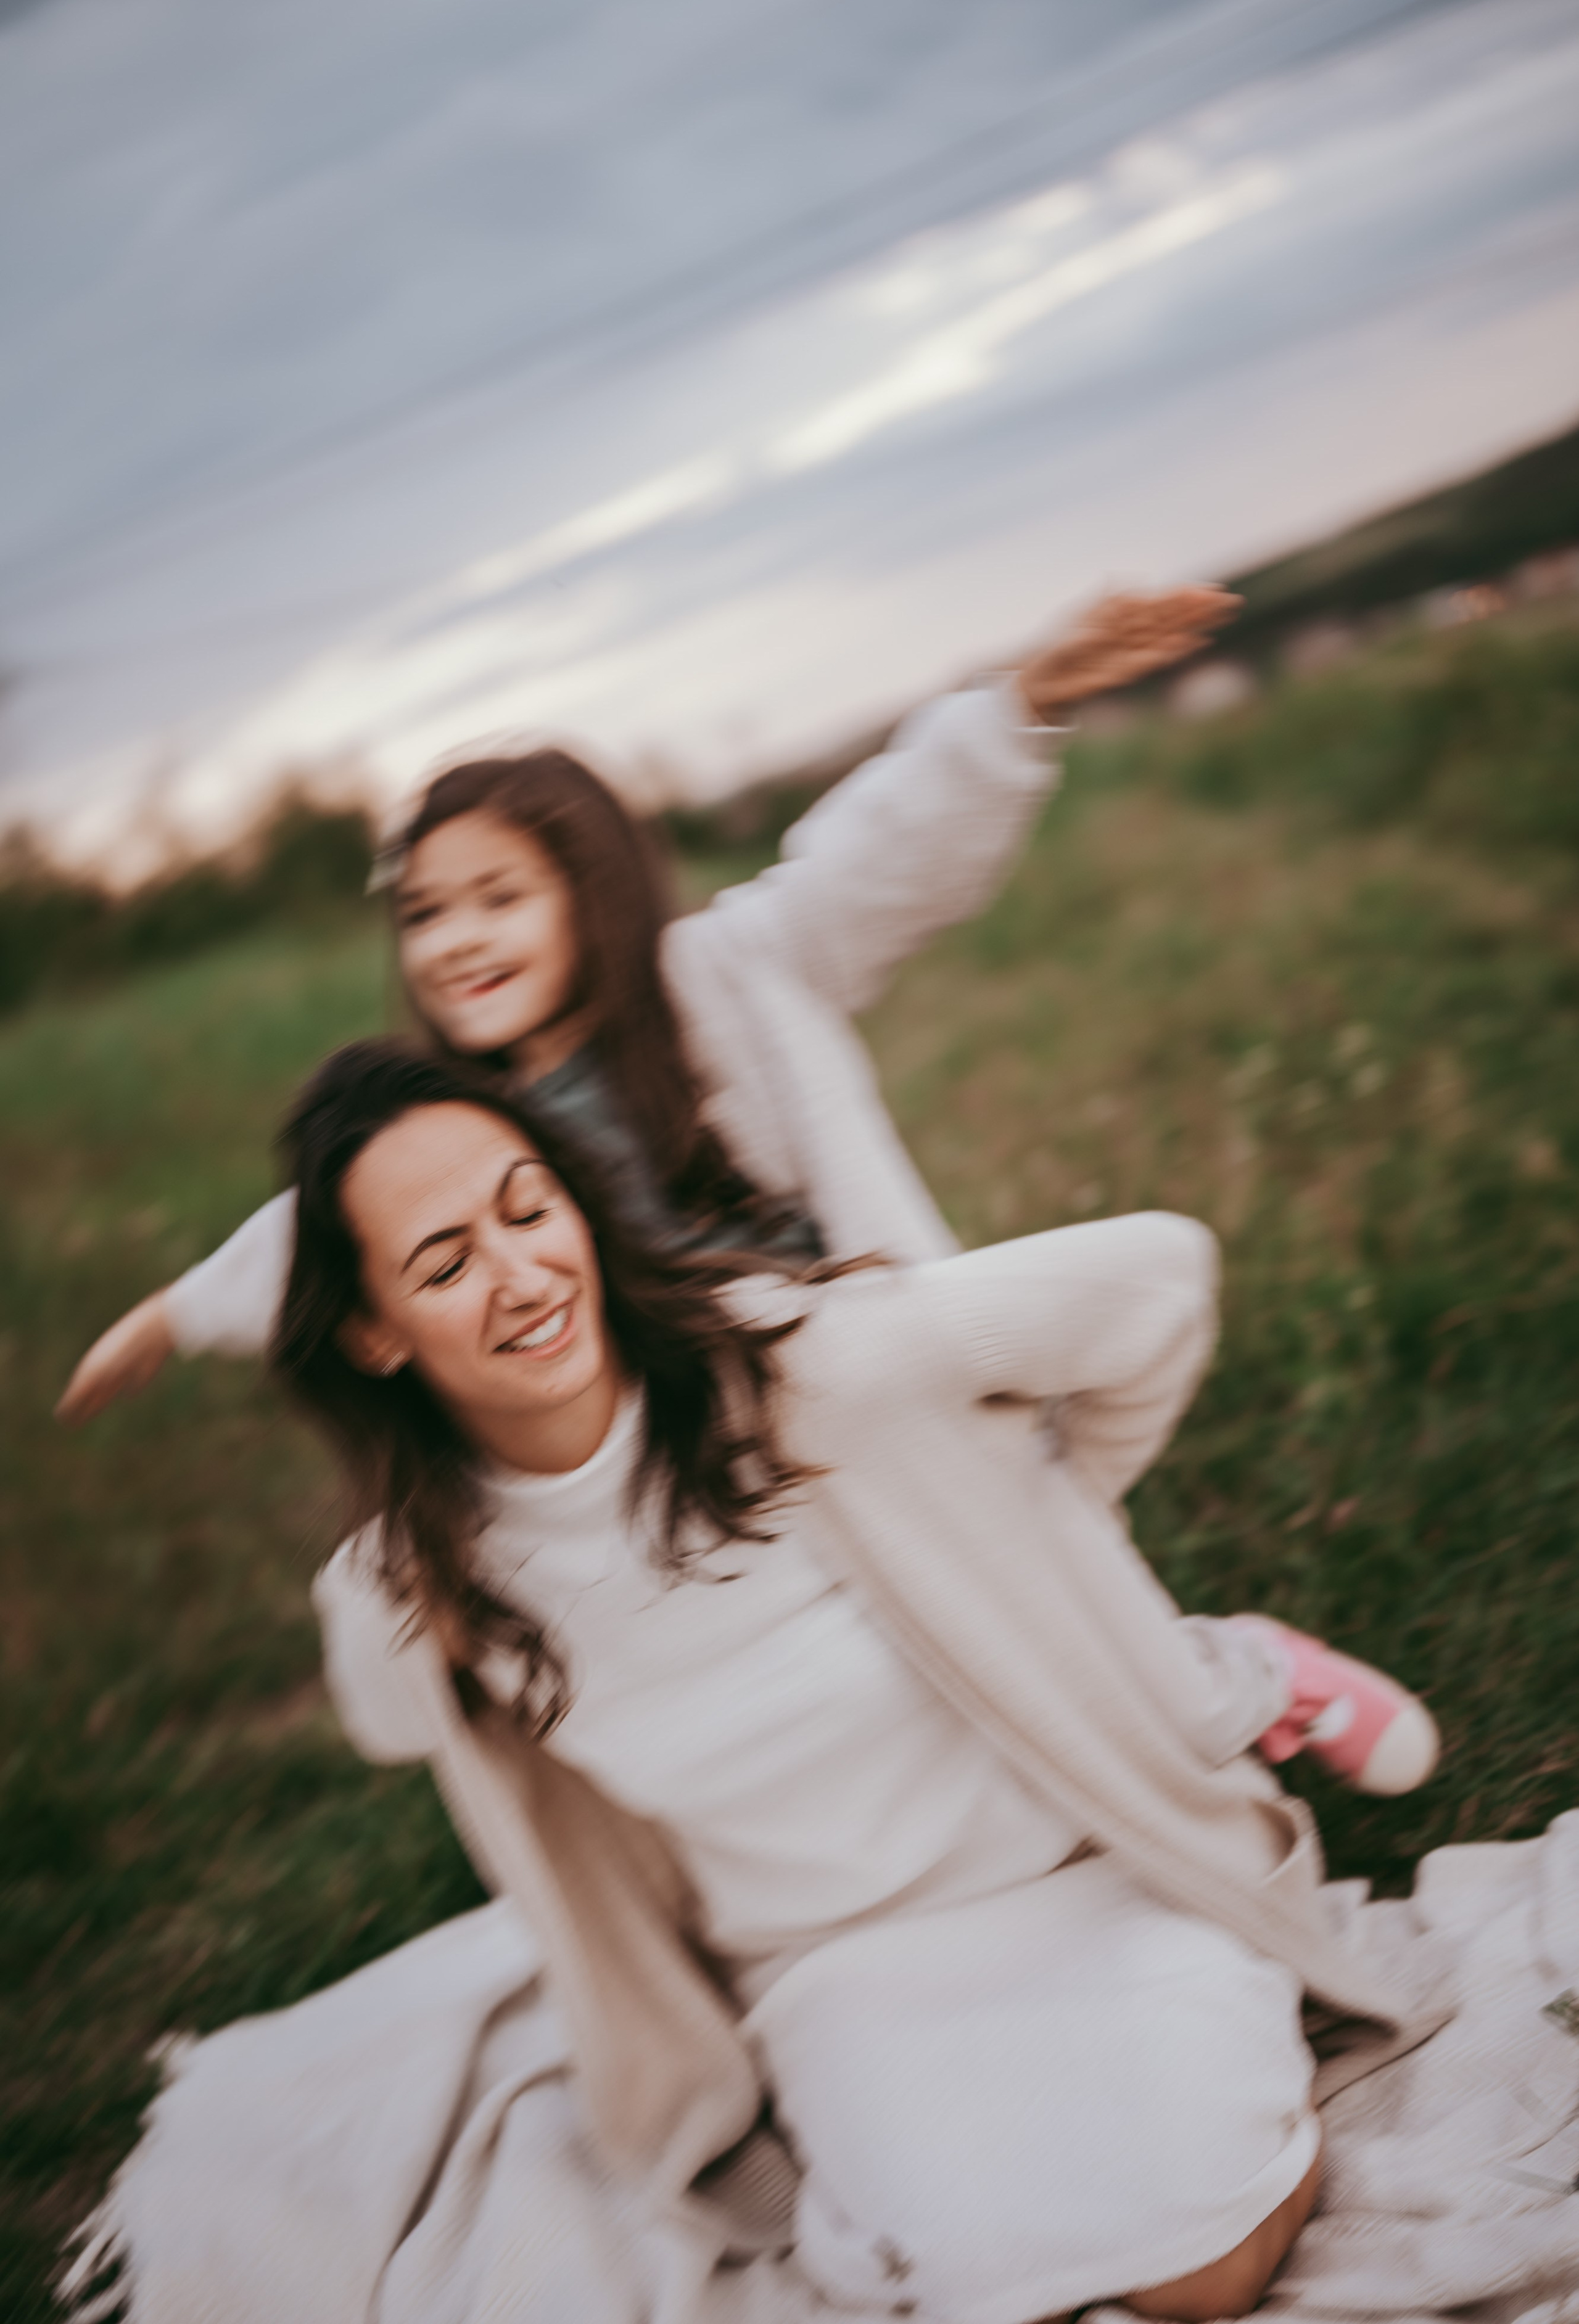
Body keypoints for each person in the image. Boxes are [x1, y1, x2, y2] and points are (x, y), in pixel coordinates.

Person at [56, 585, 1435, 1796]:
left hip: (870, 1358)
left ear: (590, 892)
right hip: (710, 1443)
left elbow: (875, 863)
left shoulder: (728, 976)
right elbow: (335, 1226)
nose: (457, 938)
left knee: (1035, 1547)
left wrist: (1014, 708)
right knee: (903, 1652)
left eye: (498, 897)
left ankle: (1231, 1686)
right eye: (425, 911)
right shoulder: (451, 1119)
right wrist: (177, 1311)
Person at [255, 1037, 1426, 2323]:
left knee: (1206, 2265)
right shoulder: (423, 1587)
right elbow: (380, 1719)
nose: (519, 1271)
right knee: (984, 2285)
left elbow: (1159, 1281)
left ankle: (1241, 1678)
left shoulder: (800, 1365)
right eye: (444, 1260)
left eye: (527, 1207)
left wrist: (1049, 1523)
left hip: (1077, 1870)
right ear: (371, 1333)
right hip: (831, 1969)